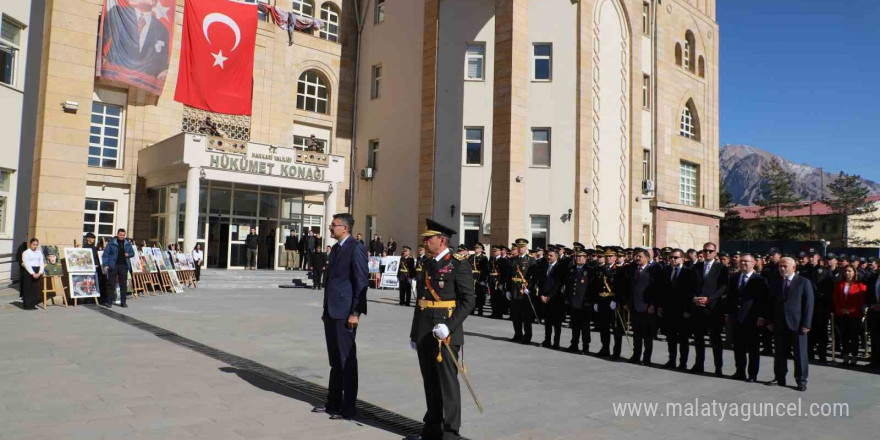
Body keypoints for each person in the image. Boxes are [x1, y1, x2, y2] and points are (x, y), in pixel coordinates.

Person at [407, 219, 475, 440]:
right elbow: (422, 302)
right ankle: (432, 428)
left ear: (442, 240)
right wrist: (414, 332)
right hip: (426, 330)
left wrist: (449, 326)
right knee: (430, 381)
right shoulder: (427, 263)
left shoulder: (458, 263)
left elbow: (468, 301)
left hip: (445, 333)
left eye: (429, 238)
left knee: (447, 383)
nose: (425, 241)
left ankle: (450, 432)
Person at [312, 213, 368, 420]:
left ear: (344, 228)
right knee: (335, 360)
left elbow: (361, 282)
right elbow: (332, 282)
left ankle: (349, 407)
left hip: (346, 313)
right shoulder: (336, 248)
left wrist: (355, 312)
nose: (330, 228)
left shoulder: (356, 247)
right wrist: (326, 309)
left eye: (333, 225)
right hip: (332, 312)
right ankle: (333, 402)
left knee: (347, 361)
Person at [764, 257, 813, 392]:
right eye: (780, 266)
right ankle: (779, 377)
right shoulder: (775, 282)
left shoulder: (803, 282)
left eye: (785, 266)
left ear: (794, 268)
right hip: (779, 323)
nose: (782, 268)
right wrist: (770, 321)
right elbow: (770, 303)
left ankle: (801, 380)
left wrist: (806, 323)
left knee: (800, 354)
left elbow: (809, 304)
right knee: (779, 352)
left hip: (797, 324)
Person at [725, 253, 768, 382]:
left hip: (752, 318)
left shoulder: (760, 280)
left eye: (747, 261)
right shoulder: (734, 277)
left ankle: (752, 374)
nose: (743, 263)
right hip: (737, 317)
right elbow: (730, 297)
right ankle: (740, 371)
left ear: (753, 263)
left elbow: (763, 300)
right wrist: (728, 313)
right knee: (738, 347)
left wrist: (761, 316)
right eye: (742, 261)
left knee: (753, 348)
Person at [689, 242, 729, 376]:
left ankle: (718, 367)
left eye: (710, 251)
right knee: (698, 338)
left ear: (715, 253)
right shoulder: (696, 267)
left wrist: (709, 299)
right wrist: (694, 297)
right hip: (698, 308)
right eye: (705, 251)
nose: (707, 253)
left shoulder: (721, 268)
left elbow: (723, 287)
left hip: (713, 309)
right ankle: (698, 364)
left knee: (715, 340)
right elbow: (691, 285)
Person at [658, 249, 697, 369]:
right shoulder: (666, 270)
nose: (673, 260)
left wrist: (688, 310)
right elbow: (662, 290)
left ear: (683, 259)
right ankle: (671, 360)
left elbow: (691, 292)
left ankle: (683, 362)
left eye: (676, 257)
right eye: (671, 257)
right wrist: (661, 306)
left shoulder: (688, 272)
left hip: (683, 310)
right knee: (671, 337)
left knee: (683, 338)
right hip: (669, 309)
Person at [624, 248, 661, 365]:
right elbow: (630, 288)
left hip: (647, 308)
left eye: (640, 256)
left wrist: (653, 304)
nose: (637, 258)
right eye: (636, 256)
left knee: (647, 335)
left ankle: (646, 358)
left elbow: (656, 290)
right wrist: (628, 303)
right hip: (635, 306)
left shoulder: (652, 271)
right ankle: (636, 355)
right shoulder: (633, 269)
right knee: (637, 334)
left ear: (647, 258)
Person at [592, 248, 623, 359]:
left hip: (612, 301)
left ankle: (616, 352)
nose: (608, 258)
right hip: (602, 301)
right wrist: (596, 301)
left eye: (611, 256)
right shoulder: (600, 269)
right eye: (606, 256)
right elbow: (596, 286)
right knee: (603, 327)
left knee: (615, 329)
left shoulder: (619, 270)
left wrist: (616, 300)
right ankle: (605, 348)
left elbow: (621, 287)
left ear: (615, 257)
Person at [832, 266, 866, 366]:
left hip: (854, 315)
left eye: (850, 271)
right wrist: (840, 309)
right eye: (846, 271)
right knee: (844, 336)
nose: (847, 273)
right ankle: (846, 356)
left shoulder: (860, 286)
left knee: (854, 336)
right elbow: (835, 299)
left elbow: (861, 301)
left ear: (854, 273)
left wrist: (850, 310)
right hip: (842, 314)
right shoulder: (840, 285)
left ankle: (854, 356)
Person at [506, 238, 537, 344]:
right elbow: (509, 276)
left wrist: (530, 288)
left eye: (522, 247)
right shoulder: (513, 260)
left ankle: (527, 337)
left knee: (526, 316)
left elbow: (534, 277)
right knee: (515, 315)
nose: (520, 249)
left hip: (524, 291)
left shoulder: (531, 260)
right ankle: (517, 335)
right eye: (519, 247)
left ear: (526, 247)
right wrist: (508, 290)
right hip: (514, 290)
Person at [538, 248, 567, 349]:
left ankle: (556, 343)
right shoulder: (544, 266)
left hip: (555, 299)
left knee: (556, 323)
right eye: (548, 255)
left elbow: (558, 285)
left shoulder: (560, 267)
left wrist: (549, 297)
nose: (548, 257)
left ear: (556, 257)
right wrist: (541, 294)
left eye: (551, 256)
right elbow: (541, 282)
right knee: (547, 322)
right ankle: (547, 341)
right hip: (544, 298)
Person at [566, 250, 592, 354]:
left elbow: (591, 287)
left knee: (585, 327)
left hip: (584, 303)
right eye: (577, 257)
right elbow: (569, 286)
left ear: (586, 258)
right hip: (574, 302)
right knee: (574, 325)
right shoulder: (572, 269)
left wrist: (588, 301)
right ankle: (574, 344)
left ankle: (585, 347)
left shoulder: (589, 270)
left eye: (581, 257)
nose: (578, 258)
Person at [102, 228, 135, 308]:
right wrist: (105, 265)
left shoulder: (127, 243)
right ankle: (109, 302)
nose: (122, 236)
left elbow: (132, 253)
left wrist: (128, 254)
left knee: (123, 284)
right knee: (111, 284)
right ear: (117, 234)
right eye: (120, 235)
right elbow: (105, 254)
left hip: (123, 266)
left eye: (123, 235)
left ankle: (123, 302)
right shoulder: (111, 243)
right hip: (113, 265)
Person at [20, 238, 44, 310]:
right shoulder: (26, 253)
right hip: (29, 271)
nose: (35, 246)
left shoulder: (39, 253)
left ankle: (33, 304)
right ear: (30, 244)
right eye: (33, 244)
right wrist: (32, 273)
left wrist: (40, 273)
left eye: (36, 245)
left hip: (37, 270)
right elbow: (26, 264)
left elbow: (42, 263)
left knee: (34, 288)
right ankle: (27, 305)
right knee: (28, 288)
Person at [83, 233, 105, 304]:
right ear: (88, 238)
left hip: (96, 267)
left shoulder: (95, 247)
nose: (93, 239)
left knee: (96, 282)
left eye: (94, 238)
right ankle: (88, 298)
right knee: (88, 282)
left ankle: (96, 297)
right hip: (89, 268)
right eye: (92, 238)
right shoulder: (85, 247)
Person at [470, 243, 490, 316]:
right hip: (472, 278)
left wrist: (483, 280)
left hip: (479, 278)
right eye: (475, 248)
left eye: (478, 248)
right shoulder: (471, 257)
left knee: (480, 296)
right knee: (472, 295)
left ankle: (480, 311)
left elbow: (486, 270)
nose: (476, 249)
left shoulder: (483, 258)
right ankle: (472, 310)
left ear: (481, 249)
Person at [866, 270, 880, 368]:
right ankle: (875, 361)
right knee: (874, 337)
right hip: (873, 312)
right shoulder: (873, 277)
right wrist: (871, 305)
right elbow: (868, 293)